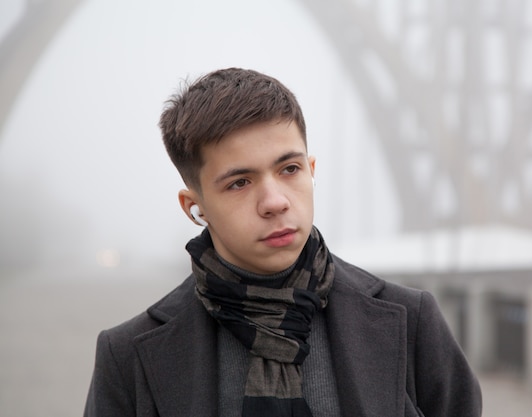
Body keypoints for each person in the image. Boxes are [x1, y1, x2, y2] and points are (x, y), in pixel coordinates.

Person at [84, 67, 482, 417]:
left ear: (311, 171)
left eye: (289, 169)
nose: (275, 202)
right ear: (195, 206)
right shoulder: (128, 357)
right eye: (240, 182)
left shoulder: (412, 321)